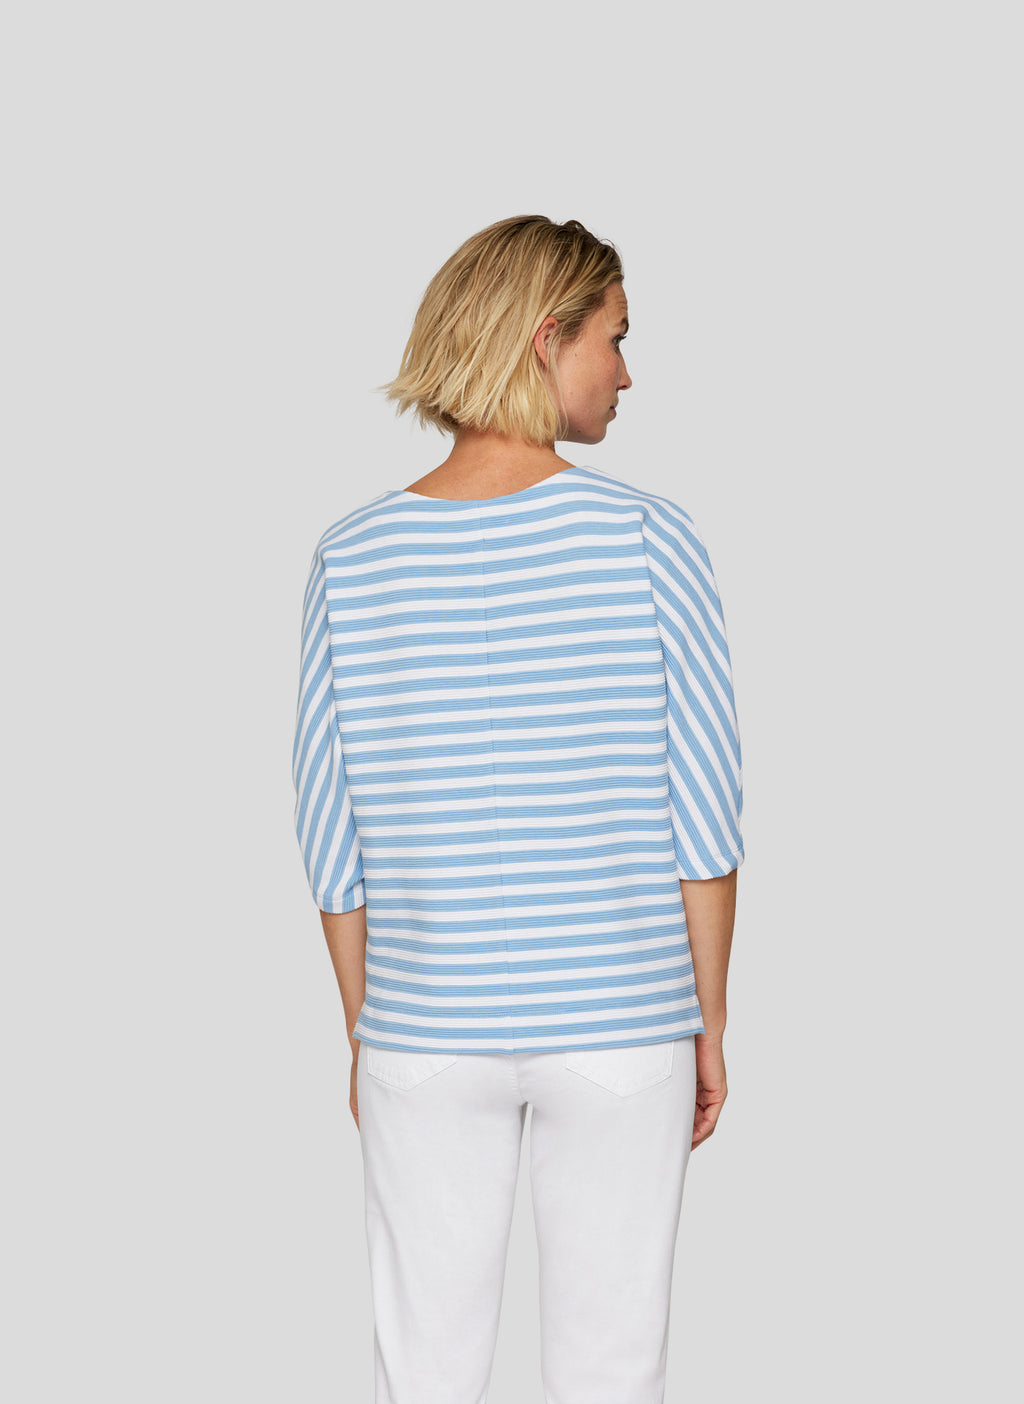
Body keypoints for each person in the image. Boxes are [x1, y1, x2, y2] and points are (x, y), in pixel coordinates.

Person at [292, 215, 744, 1404]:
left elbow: (331, 839)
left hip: (422, 1028)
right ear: (547, 340)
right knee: (611, 1372)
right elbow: (703, 815)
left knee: (423, 1376)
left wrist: (367, 1030)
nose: (626, 373)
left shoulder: (351, 557)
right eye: (615, 338)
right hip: (621, 1020)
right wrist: (708, 1020)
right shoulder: (648, 538)